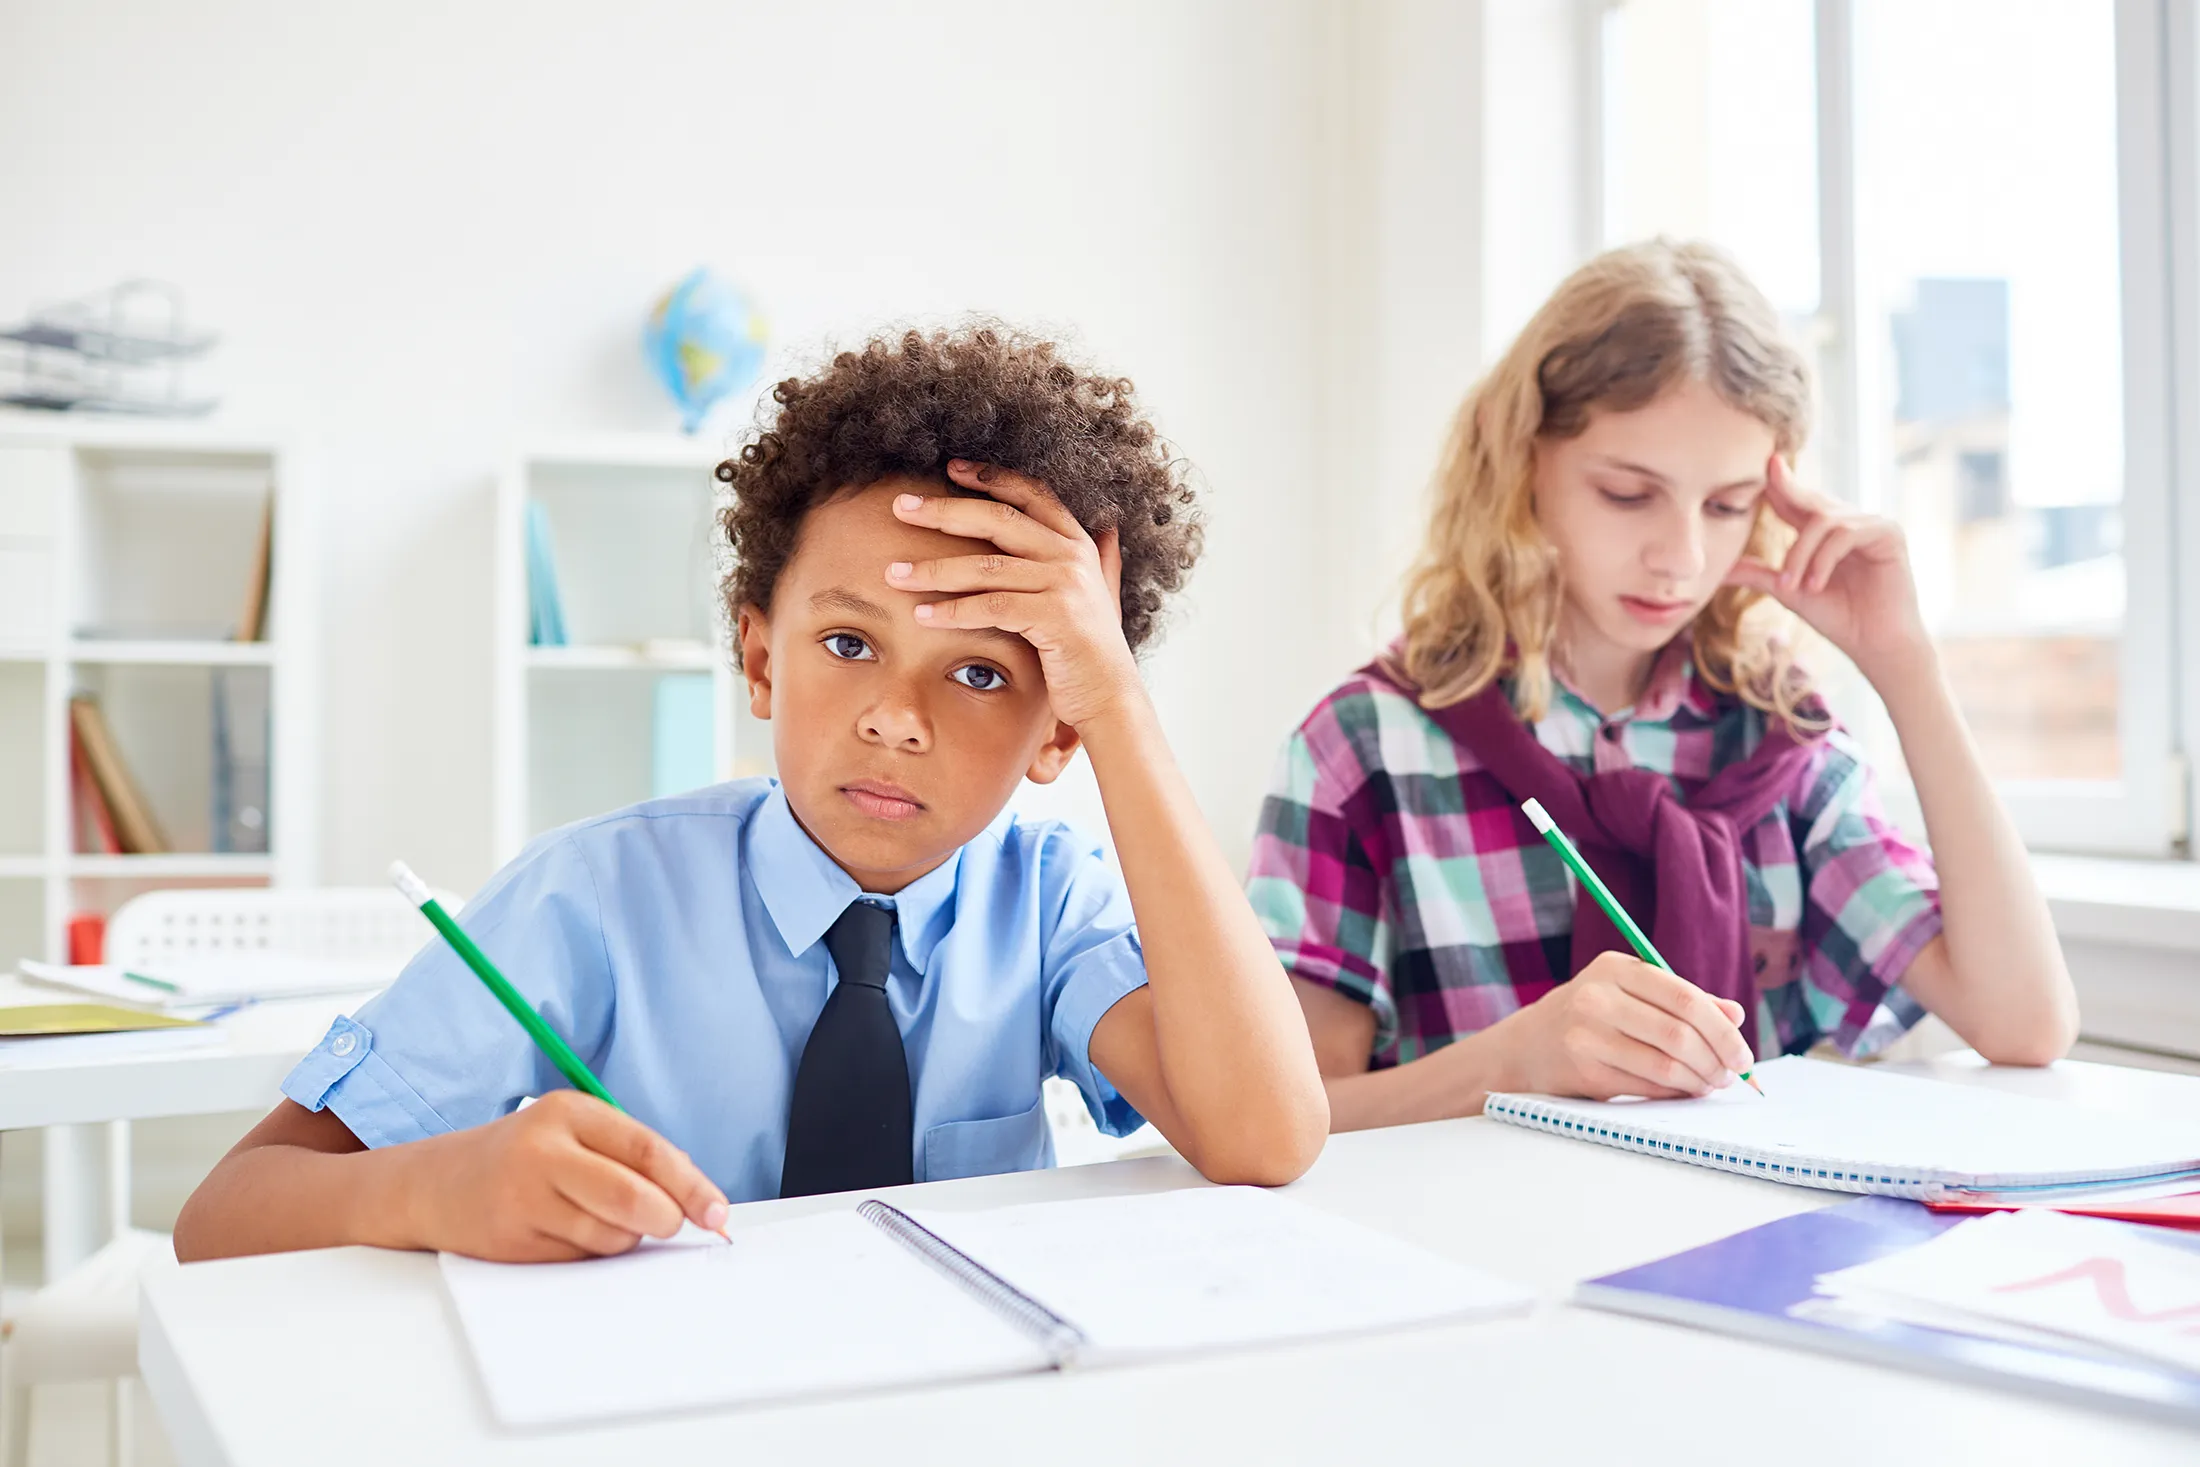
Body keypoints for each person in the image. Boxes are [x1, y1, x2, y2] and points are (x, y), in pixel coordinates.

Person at [176, 324, 1326, 1261]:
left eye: (981, 672)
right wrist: (431, 1189)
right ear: (760, 660)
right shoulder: (593, 897)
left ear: (1055, 730)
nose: (893, 715)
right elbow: (224, 1216)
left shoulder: (1051, 903)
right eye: (845, 644)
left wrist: (1120, 706)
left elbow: (1267, 1136)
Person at [1246, 240, 2078, 1131]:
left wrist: (1906, 666)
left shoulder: (1778, 740)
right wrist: (1516, 1060)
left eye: (1725, 507)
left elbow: (2025, 1022)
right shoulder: (1366, 745)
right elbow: (1283, 1115)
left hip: (1745, 1252)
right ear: (1520, 460)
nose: (1681, 558)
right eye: (1628, 494)